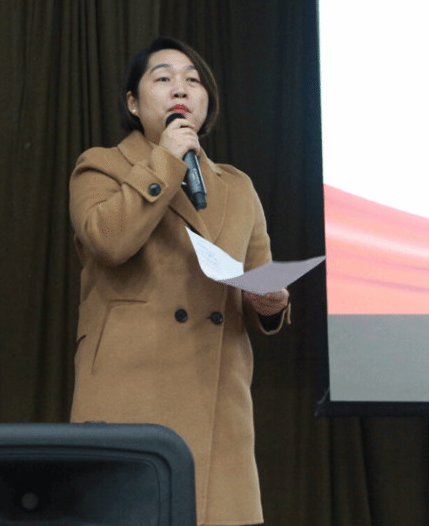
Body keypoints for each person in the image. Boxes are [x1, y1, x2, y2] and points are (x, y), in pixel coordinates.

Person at [68, 37, 290, 526]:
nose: (181, 88)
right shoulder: (100, 166)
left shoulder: (238, 186)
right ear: (133, 102)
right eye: (163, 78)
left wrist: (269, 301)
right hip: (130, 396)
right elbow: (109, 241)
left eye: (193, 80)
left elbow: (260, 276)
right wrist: (165, 162)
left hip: (219, 405)